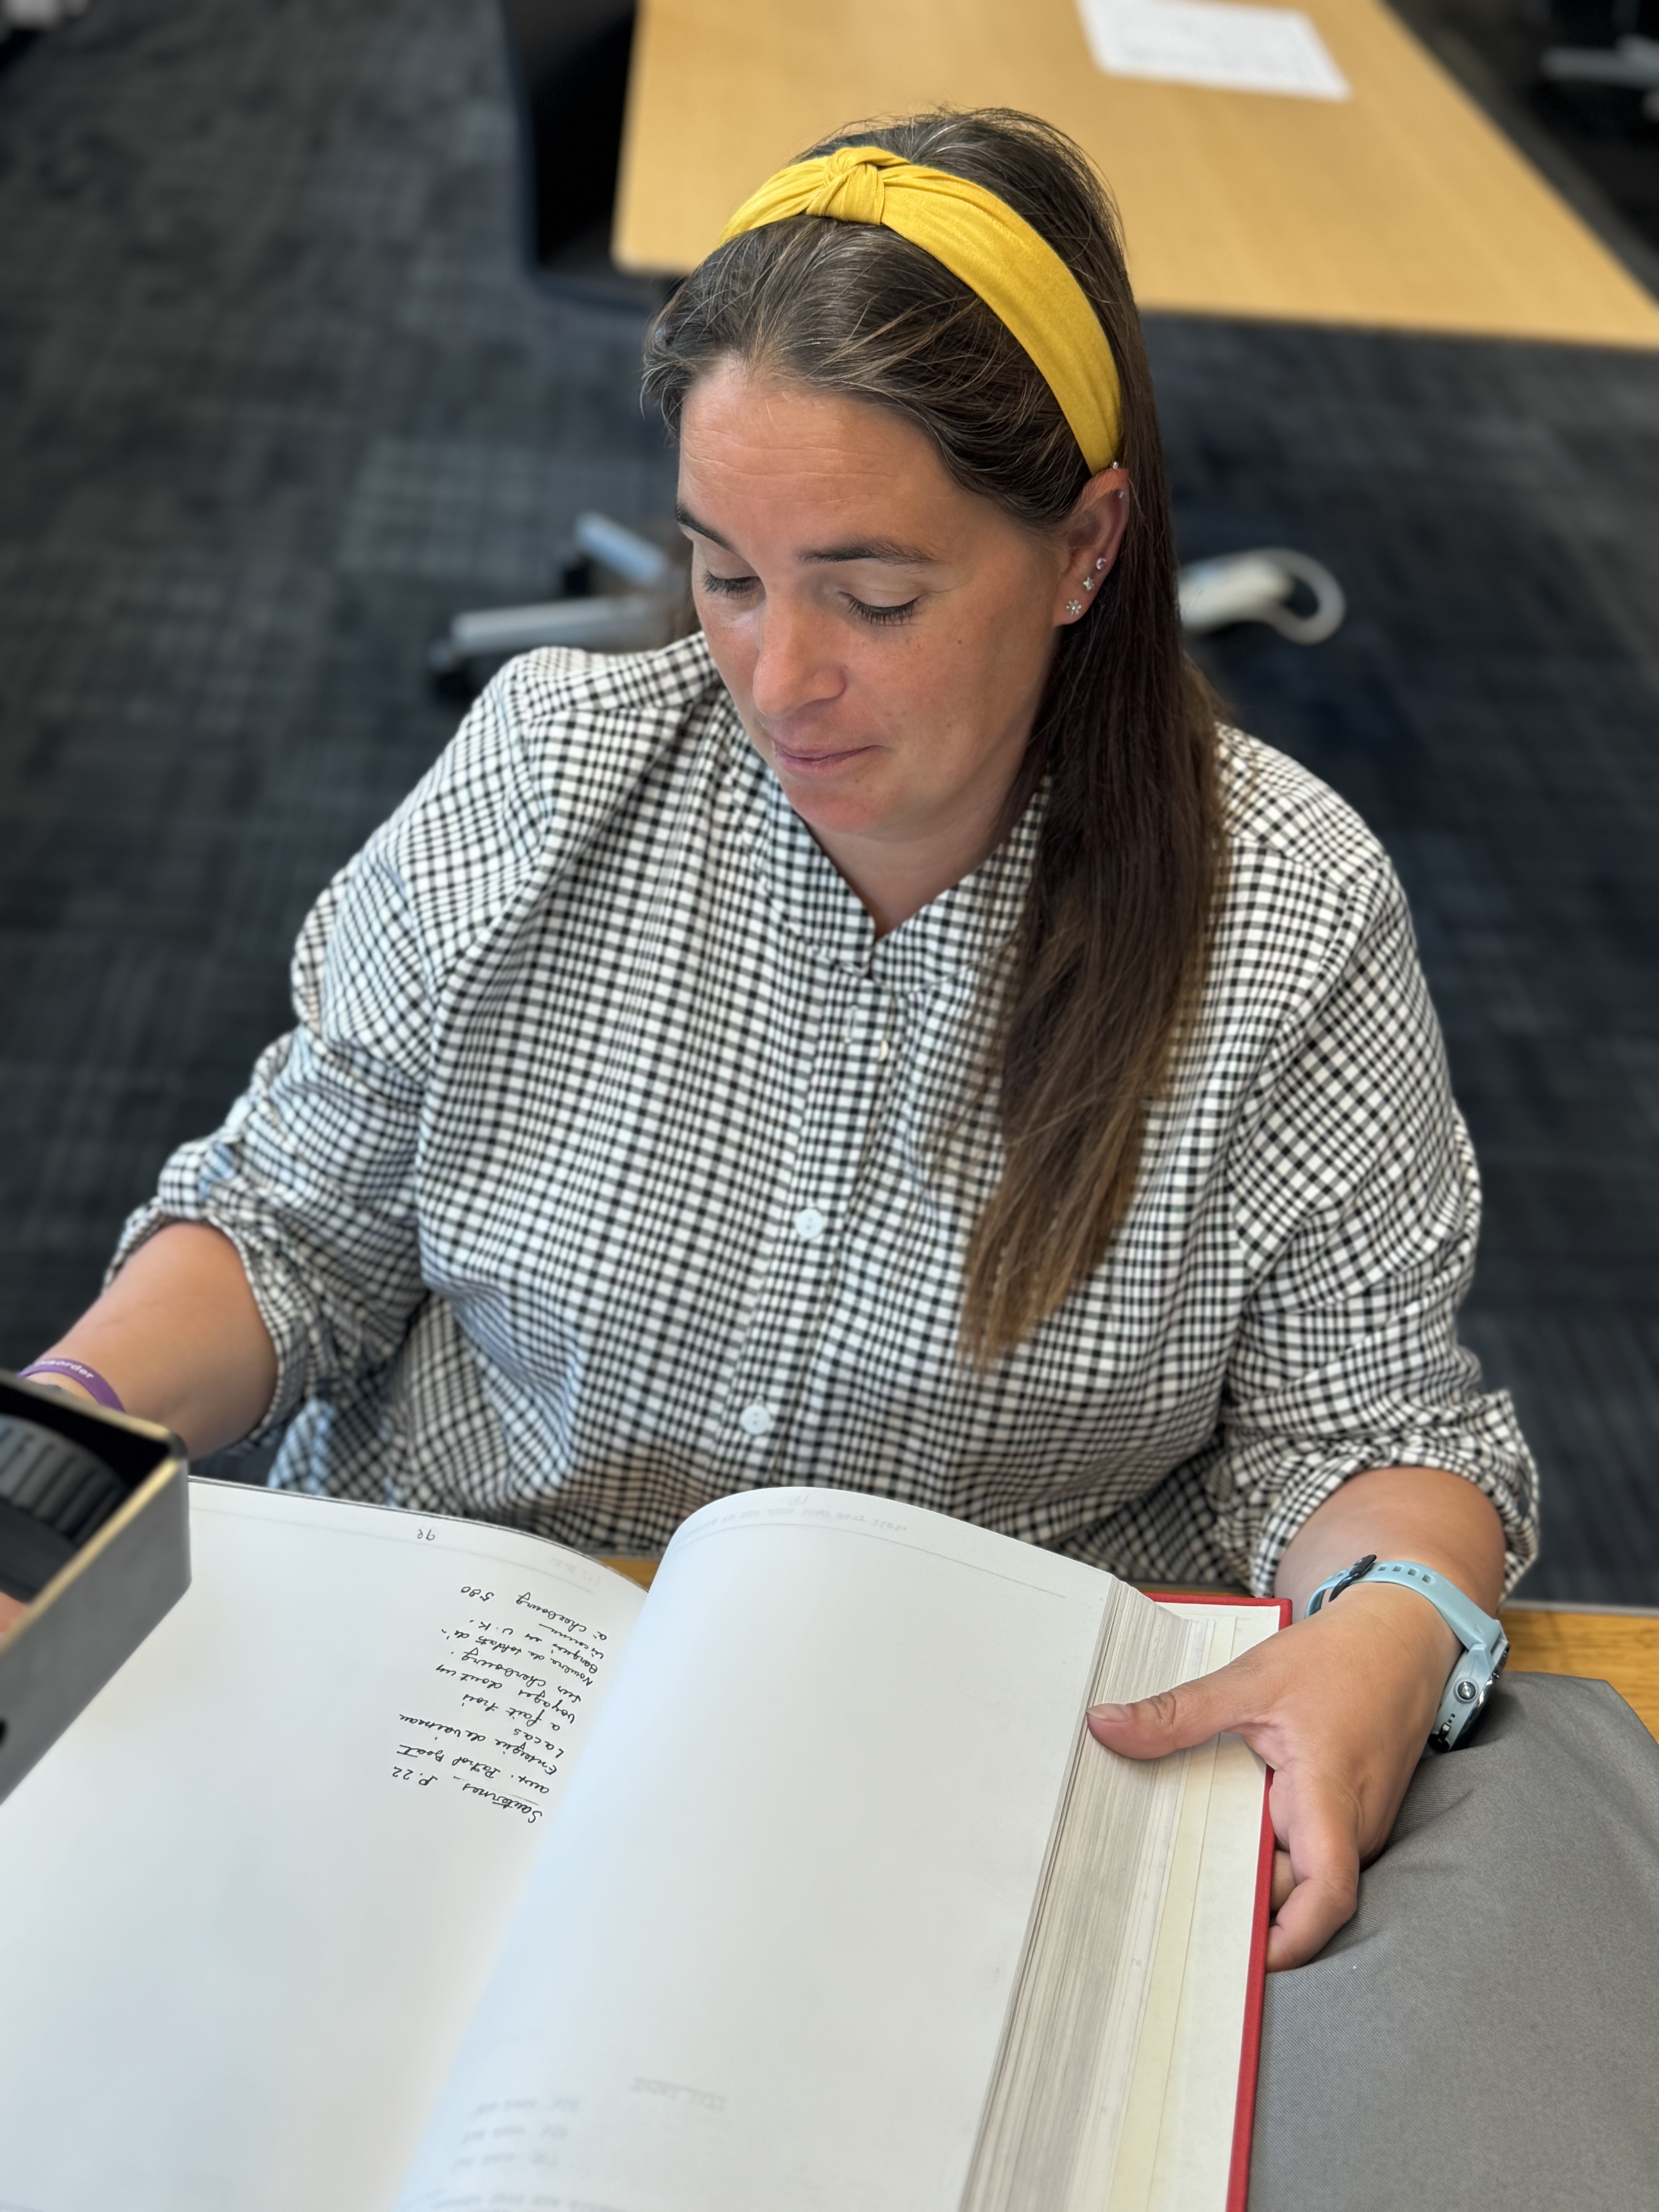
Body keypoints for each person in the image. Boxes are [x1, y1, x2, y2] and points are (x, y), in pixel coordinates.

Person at [20, 111, 1539, 1980]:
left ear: (1084, 548)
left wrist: (1389, 1625)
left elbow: (1369, 1436)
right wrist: (58, 1436)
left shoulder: (1282, 917)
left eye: (875, 595)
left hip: (927, 1802)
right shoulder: (555, 767)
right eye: (726, 574)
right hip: (443, 1727)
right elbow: (292, 1236)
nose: (778, 677)